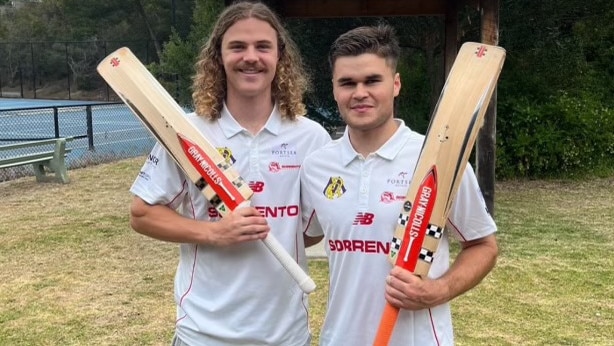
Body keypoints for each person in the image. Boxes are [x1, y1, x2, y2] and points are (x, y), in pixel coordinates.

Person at [129, 1, 330, 345]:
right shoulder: (187, 134)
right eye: (237, 46)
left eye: (262, 46)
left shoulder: (311, 138)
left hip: (285, 334)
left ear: (280, 57)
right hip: (203, 333)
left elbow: (312, 230)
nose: (250, 56)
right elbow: (142, 213)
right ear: (218, 57)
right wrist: (215, 233)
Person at [300, 24, 499, 345]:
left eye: (372, 81)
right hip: (340, 337)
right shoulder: (316, 167)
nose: (359, 92)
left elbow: (483, 246)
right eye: (347, 83)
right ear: (335, 89)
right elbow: (303, 235)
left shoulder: (438, 159)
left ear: (395, 84)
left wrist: (438, 290)